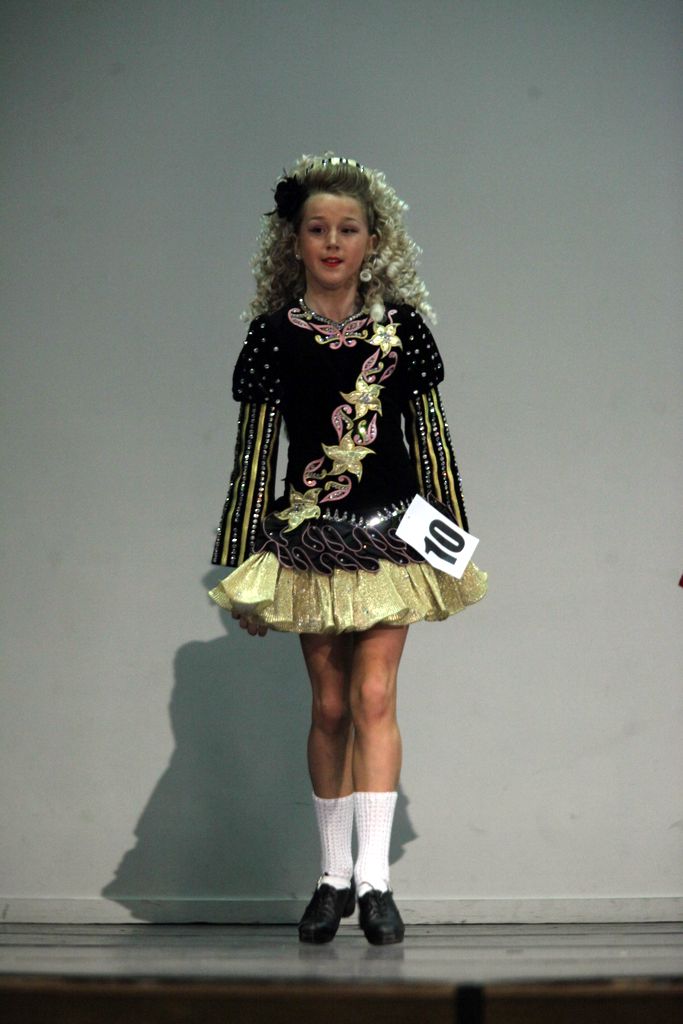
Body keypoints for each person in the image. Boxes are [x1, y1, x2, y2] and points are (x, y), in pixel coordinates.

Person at [208, 154, 487, 945]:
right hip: (311, 540)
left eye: (348, 229)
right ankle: (331, 877)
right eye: (317, 229)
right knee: (329, 705)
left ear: (374, 241)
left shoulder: (401, 331)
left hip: (392, 536)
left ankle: (375, 883)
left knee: (373, 698)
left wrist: (451, 542)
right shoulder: (272, 338)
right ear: (293, 242)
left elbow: (431, 442)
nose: (332, 242)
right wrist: (243, 566)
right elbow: (253, 456)